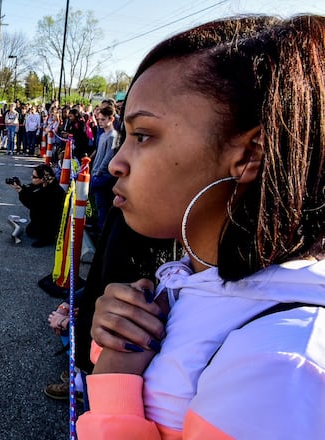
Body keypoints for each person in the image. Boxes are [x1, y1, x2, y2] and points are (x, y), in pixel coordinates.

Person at [77, 14, 325, 439]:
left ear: (249, 154)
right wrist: (117, 339)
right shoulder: (186, 283)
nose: (117, 163)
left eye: (143, 135)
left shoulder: (282, 364)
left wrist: (115, 379)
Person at [9, 164, 65, 247]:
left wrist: (21, 192)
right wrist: (20, 187)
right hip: (41, 219)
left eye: (35, 177)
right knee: (30, 232)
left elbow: (33, 204)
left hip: (50, 223)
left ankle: (48, 238)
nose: (32, 178)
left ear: (43, 178)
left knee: (35, 232)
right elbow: (31, 189)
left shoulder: (54, 191)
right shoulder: (45, 184)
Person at [88, 106, 118, 234]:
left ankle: (101, 228)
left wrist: (99, 170)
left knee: (102, 203)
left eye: (103, 119)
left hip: (103, 175)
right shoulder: (103, 135)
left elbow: (108, 156)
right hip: (96, 171)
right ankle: (96, 222)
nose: (100, 122)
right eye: (99, 119)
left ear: (111, 119)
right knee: (96, 201)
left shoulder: (113, 136)